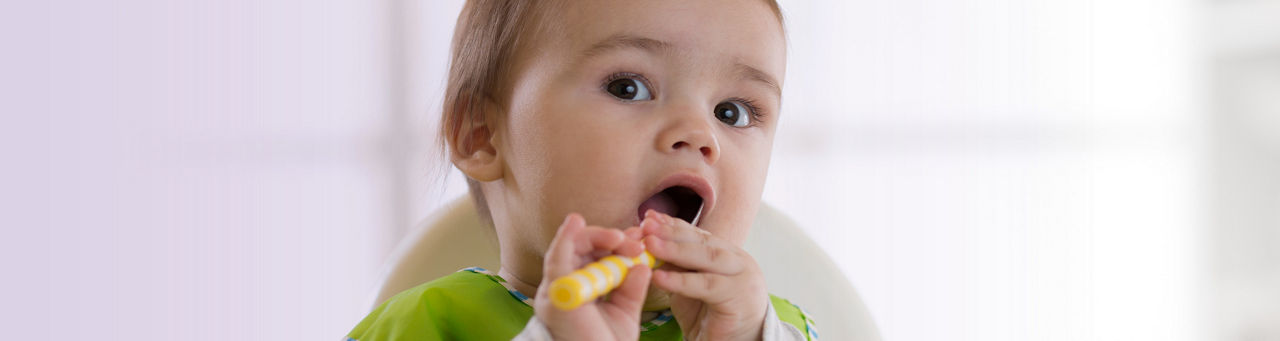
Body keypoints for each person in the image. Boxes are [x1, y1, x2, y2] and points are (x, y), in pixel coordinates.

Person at [347, 0, 816, 339]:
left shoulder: (769, 328)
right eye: (628, 88)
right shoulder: (426, 324)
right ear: (482, 136)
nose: (699, 134)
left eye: (732, 111)